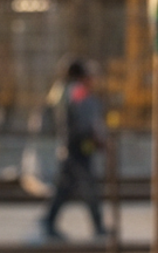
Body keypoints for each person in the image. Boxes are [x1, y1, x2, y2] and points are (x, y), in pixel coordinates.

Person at [42, 59, 110, 241]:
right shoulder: (77, 91)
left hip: (70, 145)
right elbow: (83, 118)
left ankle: (48, 222)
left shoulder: (61, 90)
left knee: (64, 188)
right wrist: (95, 137)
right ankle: (98, 226)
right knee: (88, 187)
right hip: (79, 146)